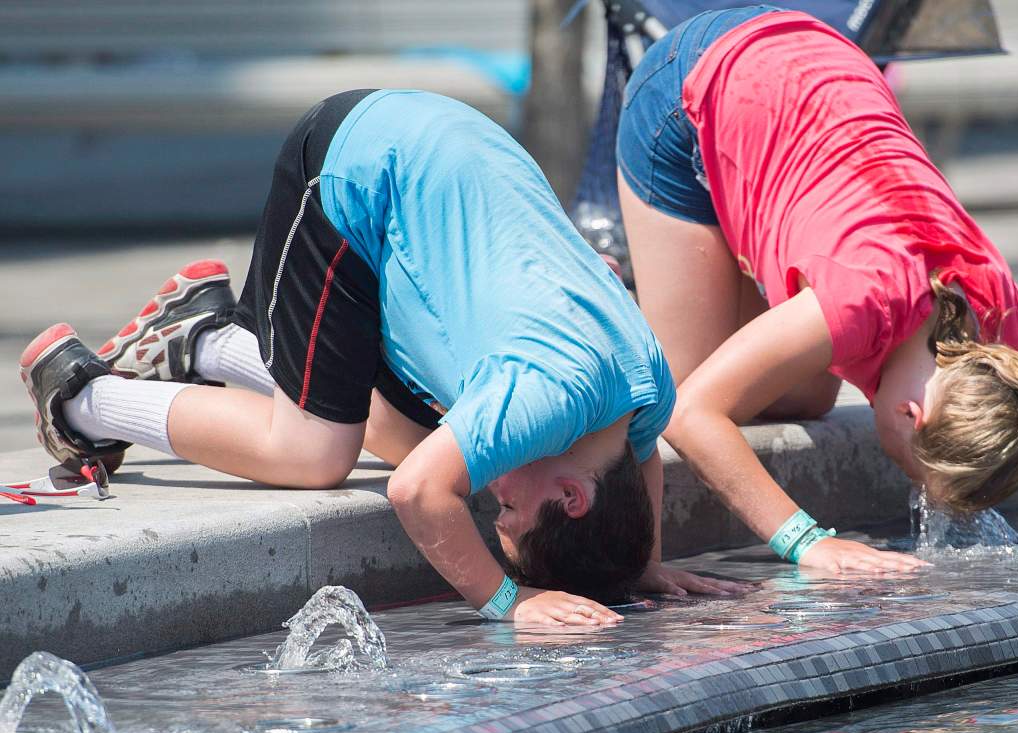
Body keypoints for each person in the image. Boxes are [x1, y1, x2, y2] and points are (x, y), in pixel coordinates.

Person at [21, 89, 741, 626]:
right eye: (512, 510)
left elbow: (643, 457)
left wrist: (639, 563)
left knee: (408, 442)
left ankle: (208, 339)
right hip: (349, 168)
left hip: (440, 143)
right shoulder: (544, 394)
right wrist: (506, 600)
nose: (495, 498)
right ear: (572, 494)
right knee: (314, 454)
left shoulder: (641, 385)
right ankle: (81, 396)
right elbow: (419, 496)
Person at [614, 7, 1018, 572]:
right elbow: (691, 416)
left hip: (821, 59)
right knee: (677, 385)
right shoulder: (856, 302)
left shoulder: (992, 313)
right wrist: (803, 540)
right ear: (912, 416)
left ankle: (733, 256)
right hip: (692, 82)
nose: (923, 496)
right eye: (920, 479)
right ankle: (602, 288)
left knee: (805, 398)